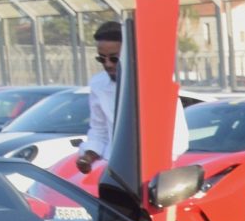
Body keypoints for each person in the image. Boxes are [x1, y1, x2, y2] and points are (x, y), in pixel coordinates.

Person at [76, 20, 187, 175]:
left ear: (129, 55)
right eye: (102, 58)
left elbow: (177, 139)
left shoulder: (157, 85)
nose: (107, 64)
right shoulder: (98, 84)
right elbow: (99, 130)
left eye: (114, 58)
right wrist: (88, 156)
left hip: (153, 173)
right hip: (114, 169)